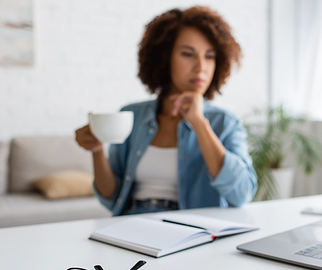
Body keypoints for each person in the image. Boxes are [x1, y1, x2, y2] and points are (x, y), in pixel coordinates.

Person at [75, 6, 257, 216]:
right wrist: (97, 151)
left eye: (209, 56)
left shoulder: (225, 123)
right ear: (164, 57)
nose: (201, 67)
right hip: (132, 223)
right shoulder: (131, 115)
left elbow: (242, 194)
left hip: (193, 230)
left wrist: (199, 123)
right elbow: (111, 199)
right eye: (188, 54)